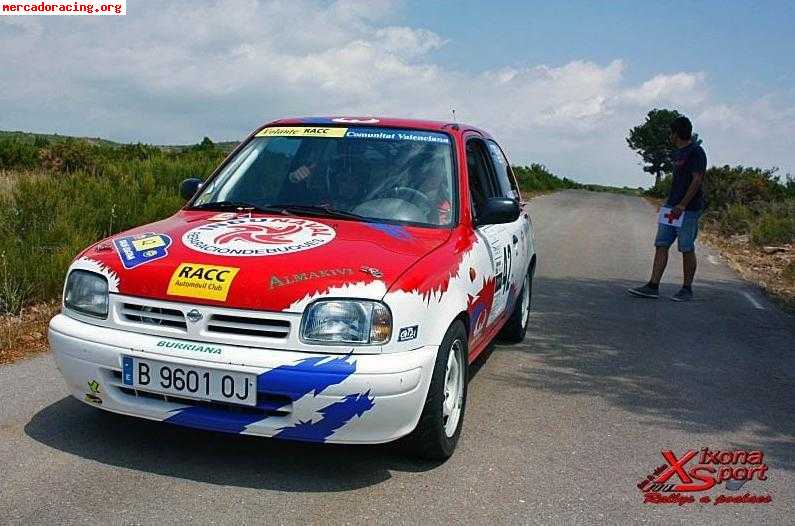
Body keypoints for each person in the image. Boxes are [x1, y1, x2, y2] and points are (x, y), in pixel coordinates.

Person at [628, 115, 707, 301]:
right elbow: (677, 182)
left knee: (686, 247)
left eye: (671, 133)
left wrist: (683, 204)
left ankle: (687, 289)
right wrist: (668, 202)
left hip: (688, 209)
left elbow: (697, 179)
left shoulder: (696, 152)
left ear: (676, 133)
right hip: (671, 208)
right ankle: (653, 285)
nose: (669, 136)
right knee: (661, 244)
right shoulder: (677, 153)